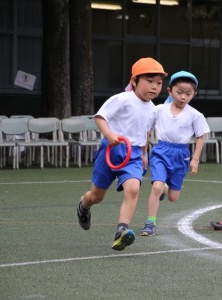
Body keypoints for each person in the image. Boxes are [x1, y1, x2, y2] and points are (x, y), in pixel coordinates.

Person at [76, 57, 167, 251]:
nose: (154, 87)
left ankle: (121, 231)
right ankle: (84, 206)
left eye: (159, 83)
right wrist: (109, 135)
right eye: (149, 81)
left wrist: (143, 154)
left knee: (133, 188)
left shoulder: (153, 110)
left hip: (133, 154)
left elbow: (145, 132)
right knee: (97, 196)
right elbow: (100, 117)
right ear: (134, 81)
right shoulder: (122, 99)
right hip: (111, 149)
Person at [140, 71, 210, 236]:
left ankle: (165, 188)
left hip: (181, 155)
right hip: (161, 152)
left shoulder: (195, 115)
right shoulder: (159, 110)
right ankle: (150, 223)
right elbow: (146, 131)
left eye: (188, 94)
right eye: (179, 93)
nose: (183, 97)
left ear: (194, 94)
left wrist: (195, 159)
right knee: (155, 187)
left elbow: (200, 136)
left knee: (173, 197)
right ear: (170, 91)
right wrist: (143, 153)